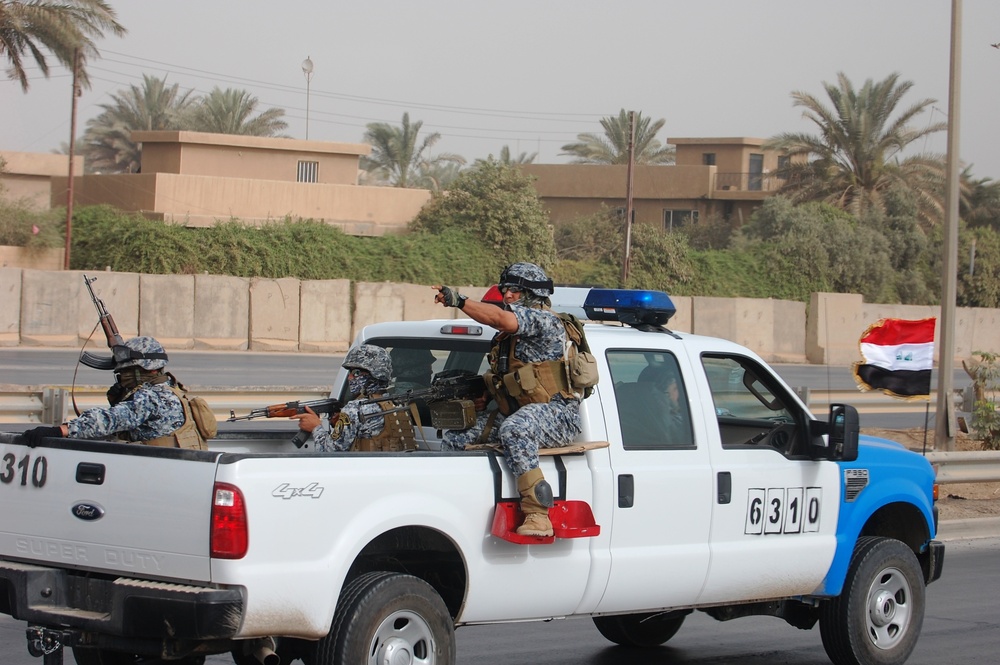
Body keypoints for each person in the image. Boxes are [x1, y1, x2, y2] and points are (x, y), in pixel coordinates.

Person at [433, 262, 582, 537]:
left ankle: (538, 514)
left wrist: (460, 301)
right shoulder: (508, 338)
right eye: (505, 290)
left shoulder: (543, 321)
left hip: (557, 415)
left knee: (516, 428)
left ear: (532, 293)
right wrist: (484, 397)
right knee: (457, 436)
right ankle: (453, 504)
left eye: (514, 290)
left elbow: (500, 318)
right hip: (517, 412)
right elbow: (507, 378)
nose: (507, 295)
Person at [19, 336, 210, 450]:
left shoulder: (152, 398)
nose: (122, 378)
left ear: (146, 370)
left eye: (126, 373)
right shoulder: (172, 390)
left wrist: (61, 430)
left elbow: (109, 420)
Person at [292, 344, 417, 452]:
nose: (350, 378)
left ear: (375, 375)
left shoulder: (355, 409)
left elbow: (329, 452)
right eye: (350, 373)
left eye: (356, 373)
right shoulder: (398, 403)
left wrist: (315, 427)